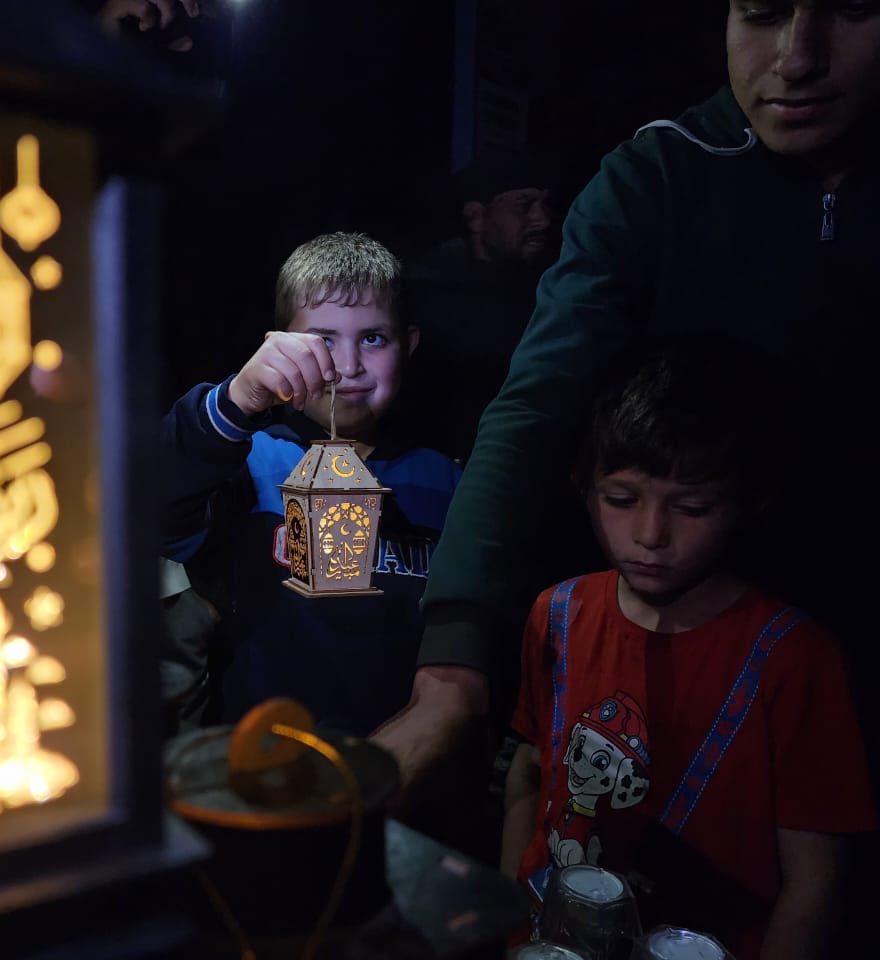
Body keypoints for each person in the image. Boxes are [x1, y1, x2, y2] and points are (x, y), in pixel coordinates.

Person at [373, 0, 880, 816]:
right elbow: (535, 406)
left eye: (851, 10)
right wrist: (454, 666)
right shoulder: (657, 175)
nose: (796, 58)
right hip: (661, 661)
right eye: (760, 12)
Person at [500, 342, 875, 959]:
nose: (650, 535)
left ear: (748, 501)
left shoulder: (794, 658)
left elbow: (818, 880)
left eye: (692, 507)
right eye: (621, 500)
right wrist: (510, 924)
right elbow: (530, 770)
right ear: (583, 486)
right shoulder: (558, 613)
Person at [160, 232, 460, 736]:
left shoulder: (449, 483)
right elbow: (154, 506)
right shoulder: (251, 462)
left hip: (401, 758)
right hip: (263, 755)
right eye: (323, 341)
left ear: (408, 345)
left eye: (373, 338)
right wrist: (237, 399)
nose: (348, 367)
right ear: (279, 347)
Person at [398, 149, 557, 461]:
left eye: (545, 205)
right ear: (476, 217)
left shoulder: (548, 287)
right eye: (524, 206)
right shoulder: (427, 290)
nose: (542, 219)